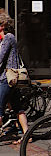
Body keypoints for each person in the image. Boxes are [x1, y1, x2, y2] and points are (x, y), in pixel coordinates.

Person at [0, 13, 27, 144]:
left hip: (6, 78)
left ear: (2, 25)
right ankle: (27, 135)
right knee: (17, 107)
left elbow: (0, 58)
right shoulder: (5, 38)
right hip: (10, 78)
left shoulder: (8, 38)